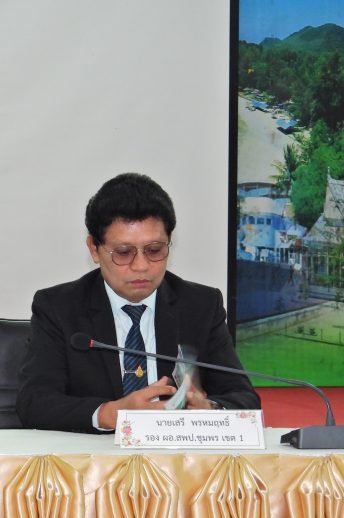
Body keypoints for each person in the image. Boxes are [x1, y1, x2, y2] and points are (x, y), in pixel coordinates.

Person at [17, 172, 260, 433]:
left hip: (174, 455)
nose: (141, 266)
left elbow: (244, 399)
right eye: (124, 252)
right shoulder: (58, 307)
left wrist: (209, 409)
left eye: (154, 250)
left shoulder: (201, 306)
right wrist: (111, 414)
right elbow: (34, 403)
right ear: (94, 249)